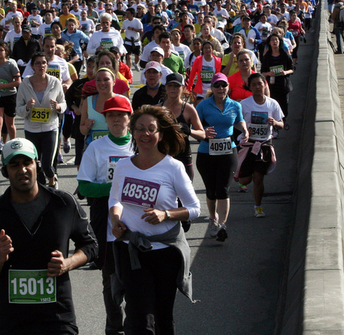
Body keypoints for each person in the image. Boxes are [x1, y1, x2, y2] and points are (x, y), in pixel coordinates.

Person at [0, 138, 98, 335]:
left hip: (58, 318)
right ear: (5, 171)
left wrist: (68, 263)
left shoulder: (63, 203)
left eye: (27, 163)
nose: (22, 170)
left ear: (37, 165)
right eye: (14, 165)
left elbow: (91, 246)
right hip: (14, 322)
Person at [108, 105, 201, 333]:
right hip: (132, 251)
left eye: (151, 129)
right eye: (140, 128)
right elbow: (114, 200)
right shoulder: (123, 166)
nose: (145, 134)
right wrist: (115, 220)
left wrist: (166, 214)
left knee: (162, 316)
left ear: (160, 134)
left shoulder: (173, 167)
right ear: (132, 131)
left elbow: (194, 208)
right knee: (139, 318)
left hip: (165, 253)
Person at [77, 95, 133, 335]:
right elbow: (85, 187)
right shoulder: (96, 147)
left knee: (137, 282)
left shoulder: (140, 145)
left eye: (121, 115)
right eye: (111, 115)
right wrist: (116, 186)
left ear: (129, 118)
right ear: (105, 119)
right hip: (105, 223)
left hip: (138, 225)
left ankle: (135, 325)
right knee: (110, 280)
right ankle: (114, 327)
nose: (116, 119)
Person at [195, 72, 249, 241]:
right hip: (206, 152)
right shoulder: (203, 106)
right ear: (212, 87)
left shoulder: (235, 105)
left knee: (223, 189)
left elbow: (239, 120)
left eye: (224, 85)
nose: (220, 88)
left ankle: (222, 225)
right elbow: (195, 127)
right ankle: (213, 219)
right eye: (217, 85)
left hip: (228, 151)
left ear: (228, 87)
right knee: (211, 190)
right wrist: (203, 132)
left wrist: (245, 130)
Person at [15, 52, 66, 188]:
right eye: (38, 63)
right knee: (34, 164)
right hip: (31, 129)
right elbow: (18, 109)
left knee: (47, 165)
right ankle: (41, 188)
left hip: (50, 128)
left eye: (43, 63)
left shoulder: (55, 82)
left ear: (47, 65)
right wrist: (26, 107)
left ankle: (52, 182)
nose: (41, 66)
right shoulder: (25, 83)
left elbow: (64, 103)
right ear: (32, 66)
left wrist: (58, 106)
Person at [236, 74, 284, 218]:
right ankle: (243, 175)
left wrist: (274, 123)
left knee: (258, 177)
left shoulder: (272, 104)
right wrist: (245, 130)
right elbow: (236, 123)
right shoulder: (244, 104)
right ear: (250, 87)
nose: (257, 87)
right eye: (254, 84)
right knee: (245, 179)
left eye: (260, 84)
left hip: (264, 145)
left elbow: (282, 124)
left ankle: (258, 207)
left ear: (265, 85)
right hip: (248, 145)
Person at [0, 41, 21, 162]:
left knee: (10, 125)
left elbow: (18, 82)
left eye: (1, 50)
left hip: (10, 96)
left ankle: (13, 147)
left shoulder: (11, 64)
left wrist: (3, 86)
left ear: (6, 52)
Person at [260, 33, 294, 124]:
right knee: (273, 103)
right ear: (269, 43)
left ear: (280, 42)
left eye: (276, 40)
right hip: (272, 85)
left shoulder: (285, 55)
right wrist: (268, 73)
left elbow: (292, 69)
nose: (274, 42)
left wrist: (285, 72)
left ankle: (283, 120)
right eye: (272, 40)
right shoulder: (267, 57)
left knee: (284, 104)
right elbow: (262, 72)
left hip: (283, 84)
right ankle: (274, 122)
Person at [80, 67, 118, 146]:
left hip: (116, 148)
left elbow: (131, 128)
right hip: (93, 149)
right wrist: (87, 126)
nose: (102, 83)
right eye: (98, 80)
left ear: (114, 82)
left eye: (106, 79)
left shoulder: (123, 101)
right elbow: (82, 130)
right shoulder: (88, 101)